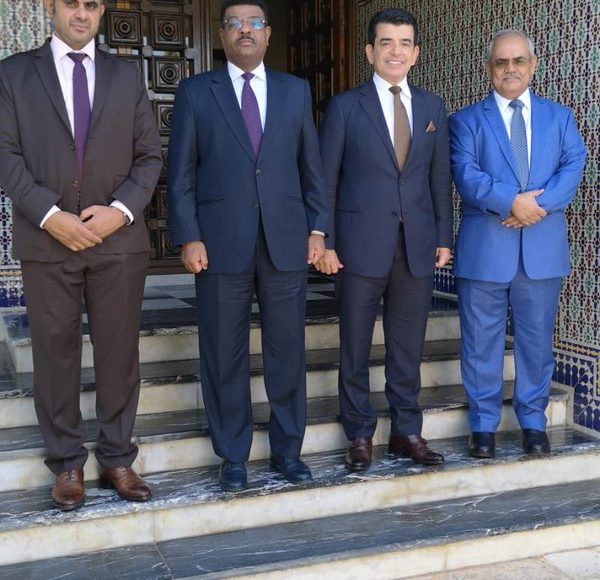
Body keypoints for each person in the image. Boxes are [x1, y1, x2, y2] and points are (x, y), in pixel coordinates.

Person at [0, 0, 162, 510]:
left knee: (119, 353)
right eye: (71, 2)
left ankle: (117, 457)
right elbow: (5, 155)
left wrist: (121, 211)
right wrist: (50, 216)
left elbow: (149, 155)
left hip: (117, 242)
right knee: (54, 354)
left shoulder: (127, 75)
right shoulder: (13, 74)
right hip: (47, 241)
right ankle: (66, 462)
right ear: (51, 6)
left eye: (92, 4)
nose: (81, 13)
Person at [167, 0, 328, 492]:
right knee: (223, 352)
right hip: (218, 244)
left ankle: (288, 450)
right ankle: (233, 453)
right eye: (234, 24)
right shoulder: (197, 92)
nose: (244, 31)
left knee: (287, 351)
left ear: (268, 34)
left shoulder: (295, 91)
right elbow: (180, 175)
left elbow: (311, 168)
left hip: (285, 242)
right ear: (221, 35)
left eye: (254, 23)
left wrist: (318, 229)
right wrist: (189, 235)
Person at [316, 8, 452, 471]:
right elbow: (325, 180)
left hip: (416, 245)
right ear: (370, 51)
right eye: (386, 43)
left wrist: (443, 236)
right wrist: (325, 240)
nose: (396, 51)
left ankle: (405, 430)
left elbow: (439, 178)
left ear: (416, 54)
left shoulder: (432, 108)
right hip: (357, 246)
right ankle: (359, 433)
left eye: (405, 43)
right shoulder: (344, 107)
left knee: (408, 346)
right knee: (355, 345)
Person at [449, 30, 586, 459]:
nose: (510, 69)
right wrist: (512, 202)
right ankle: (483, 426)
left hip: (541, 252)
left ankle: (533, 422)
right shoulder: (466, 121)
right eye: (501, 62)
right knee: (480, 343)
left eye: (518, 60)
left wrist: (533, 207)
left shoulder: (560, 118)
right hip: (484, 250)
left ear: (532, 65)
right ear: (489, 68)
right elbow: (467, 176)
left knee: (536, 343)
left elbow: (573, 165)